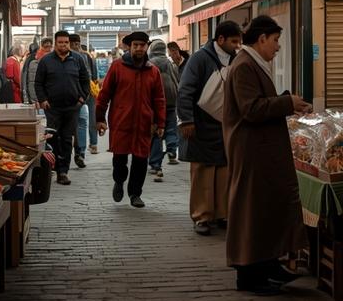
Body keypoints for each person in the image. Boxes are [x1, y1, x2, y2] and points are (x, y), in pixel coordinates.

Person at [223, 15, 312, 294]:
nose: (277, 46)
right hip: (251, 151)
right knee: (252, 210)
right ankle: (250, 275)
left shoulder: (252, 64)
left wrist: (287, 102)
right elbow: (251, 109)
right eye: (275, 40)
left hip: (260, 149)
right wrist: (287, 102)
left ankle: (267, 265)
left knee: (265, 208)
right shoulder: (244, 66)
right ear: (261, 39)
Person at [177, 20, 242, 235]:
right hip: (200, 125)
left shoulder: (235, 58)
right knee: (203, 172)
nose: (237, 45)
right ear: (220, 39)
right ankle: (202, 216)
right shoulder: (199, 58)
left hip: (225, 125)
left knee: (224, 170)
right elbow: (185, 90)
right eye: (234, 41)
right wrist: (187, 120)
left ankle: (222, 214)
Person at [95, 31, 165, 208]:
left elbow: (159, 99)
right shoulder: (117, 67)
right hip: (121, 121)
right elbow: (104, 94)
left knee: (141, 160)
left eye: (142, 45)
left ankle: (135, 194)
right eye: (136, 45)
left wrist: (160, 123)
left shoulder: (153, 71)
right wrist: (100, 118)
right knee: (119, 158)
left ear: (147, 47)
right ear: (130, 47)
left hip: (144, 123)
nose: (139, 48)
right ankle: (119, 181)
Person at [33, 30, 91, 185]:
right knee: (53, 138)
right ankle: (54, 167)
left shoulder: (77, 59)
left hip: (72, 107)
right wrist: (43, 99)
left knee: (66, 139)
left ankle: (63, 172)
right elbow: (38, 83)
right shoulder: (46, 61)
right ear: (55, 43)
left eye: (66, 42)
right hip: (52, 108)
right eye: (60, 42)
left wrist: (82, 98)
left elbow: (86, 80)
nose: (63, 45)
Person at [146, 40, 182, 181]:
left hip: (156, 102)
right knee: (171, 126)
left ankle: (155, 164)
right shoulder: (169, 63)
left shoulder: (149, 64)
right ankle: (172, 150)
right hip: (172, 100)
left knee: (156, 132)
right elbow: (177, 79)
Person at [69, 33, 100, 165]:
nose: (75, 46)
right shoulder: (88, 56)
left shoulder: (72, 56)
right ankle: (91, 145)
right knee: (88, 119)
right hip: (88, 92)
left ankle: (81, 151)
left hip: (79, 94)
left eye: (75, 44)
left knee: (80, 122)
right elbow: (95, 76)